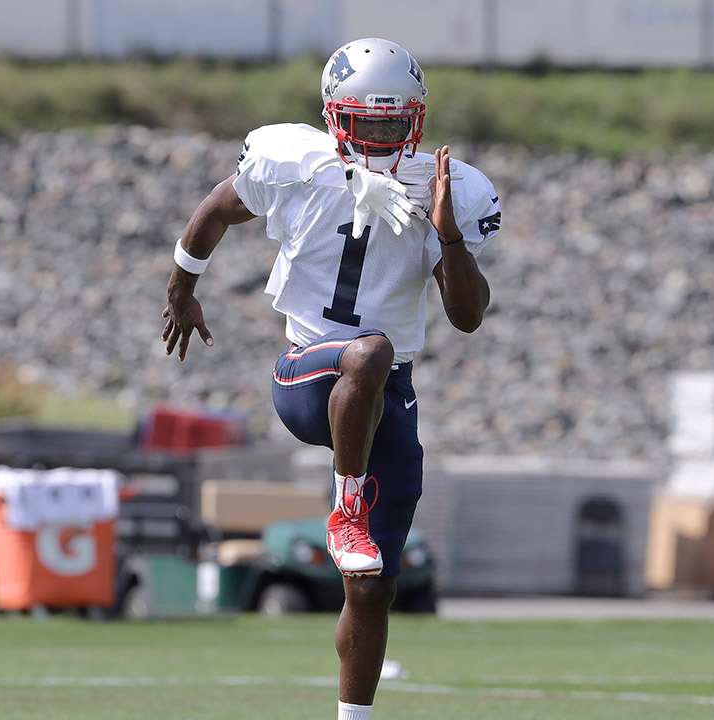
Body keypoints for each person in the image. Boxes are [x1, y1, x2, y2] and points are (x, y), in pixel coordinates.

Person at [160, 38, 502, 720]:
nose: (379, 140)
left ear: (417, 120)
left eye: (391, 124)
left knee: (372, 586)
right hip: (307, 375)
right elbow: (217, 210)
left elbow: (466, 318)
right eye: (365, 124)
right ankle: (343, 510)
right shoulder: (294, 162)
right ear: (332, 118)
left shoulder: (450, 189)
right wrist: (179, 291)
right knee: (366, 351)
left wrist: (449, 237)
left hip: (387, 399)